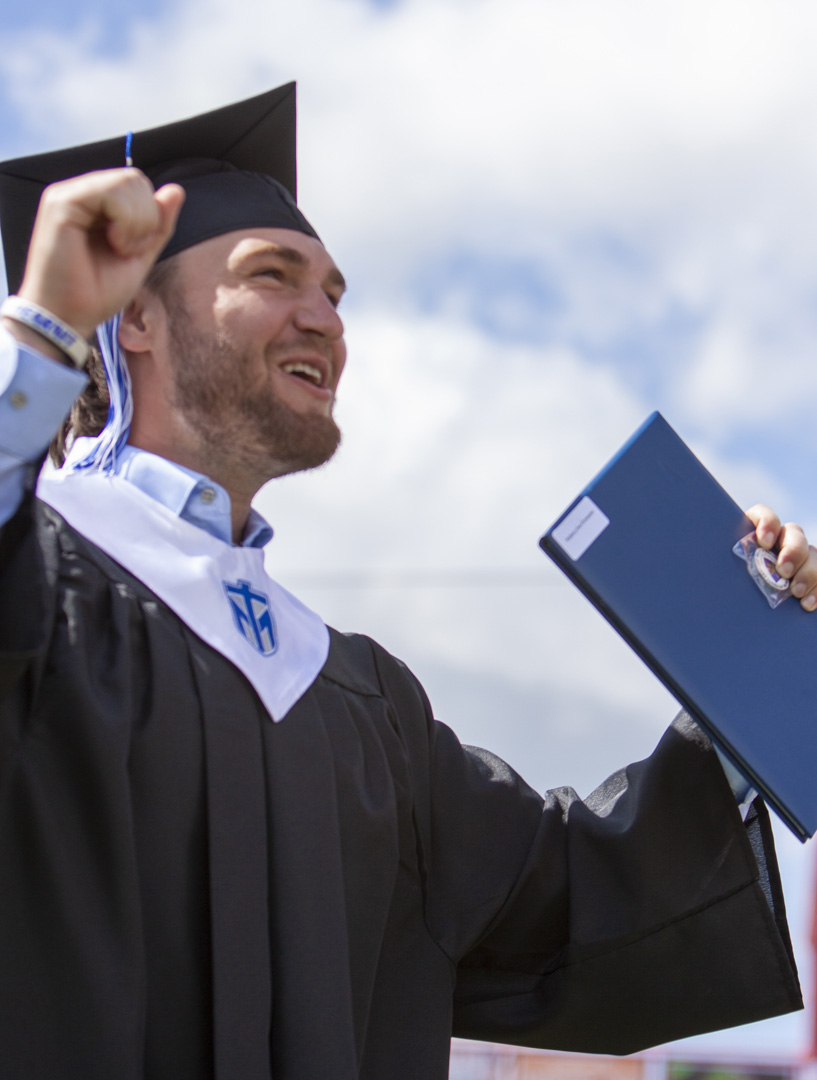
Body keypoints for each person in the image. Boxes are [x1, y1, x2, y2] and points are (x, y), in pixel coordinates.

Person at [0, 84, 812, 1080]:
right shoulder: (42, 591)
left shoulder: (358, 704)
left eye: (334, 294)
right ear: (131, 315)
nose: (324, 320)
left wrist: (758, 662)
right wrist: (40, 341)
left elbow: (562, 891)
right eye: (275, 275)